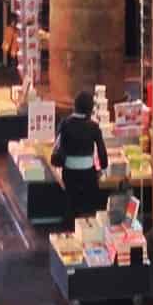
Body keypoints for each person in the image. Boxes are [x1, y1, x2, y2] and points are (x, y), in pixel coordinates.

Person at [51, 89, 110, 220]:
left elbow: (57, 146)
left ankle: (69, 226)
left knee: (71, 202)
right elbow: (102, 151)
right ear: (90, 109)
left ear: (75, 106)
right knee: (88, 205)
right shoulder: (93, 127)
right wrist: (102, 170)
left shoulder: (65, 124)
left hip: (69, 172)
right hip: (88, 173)